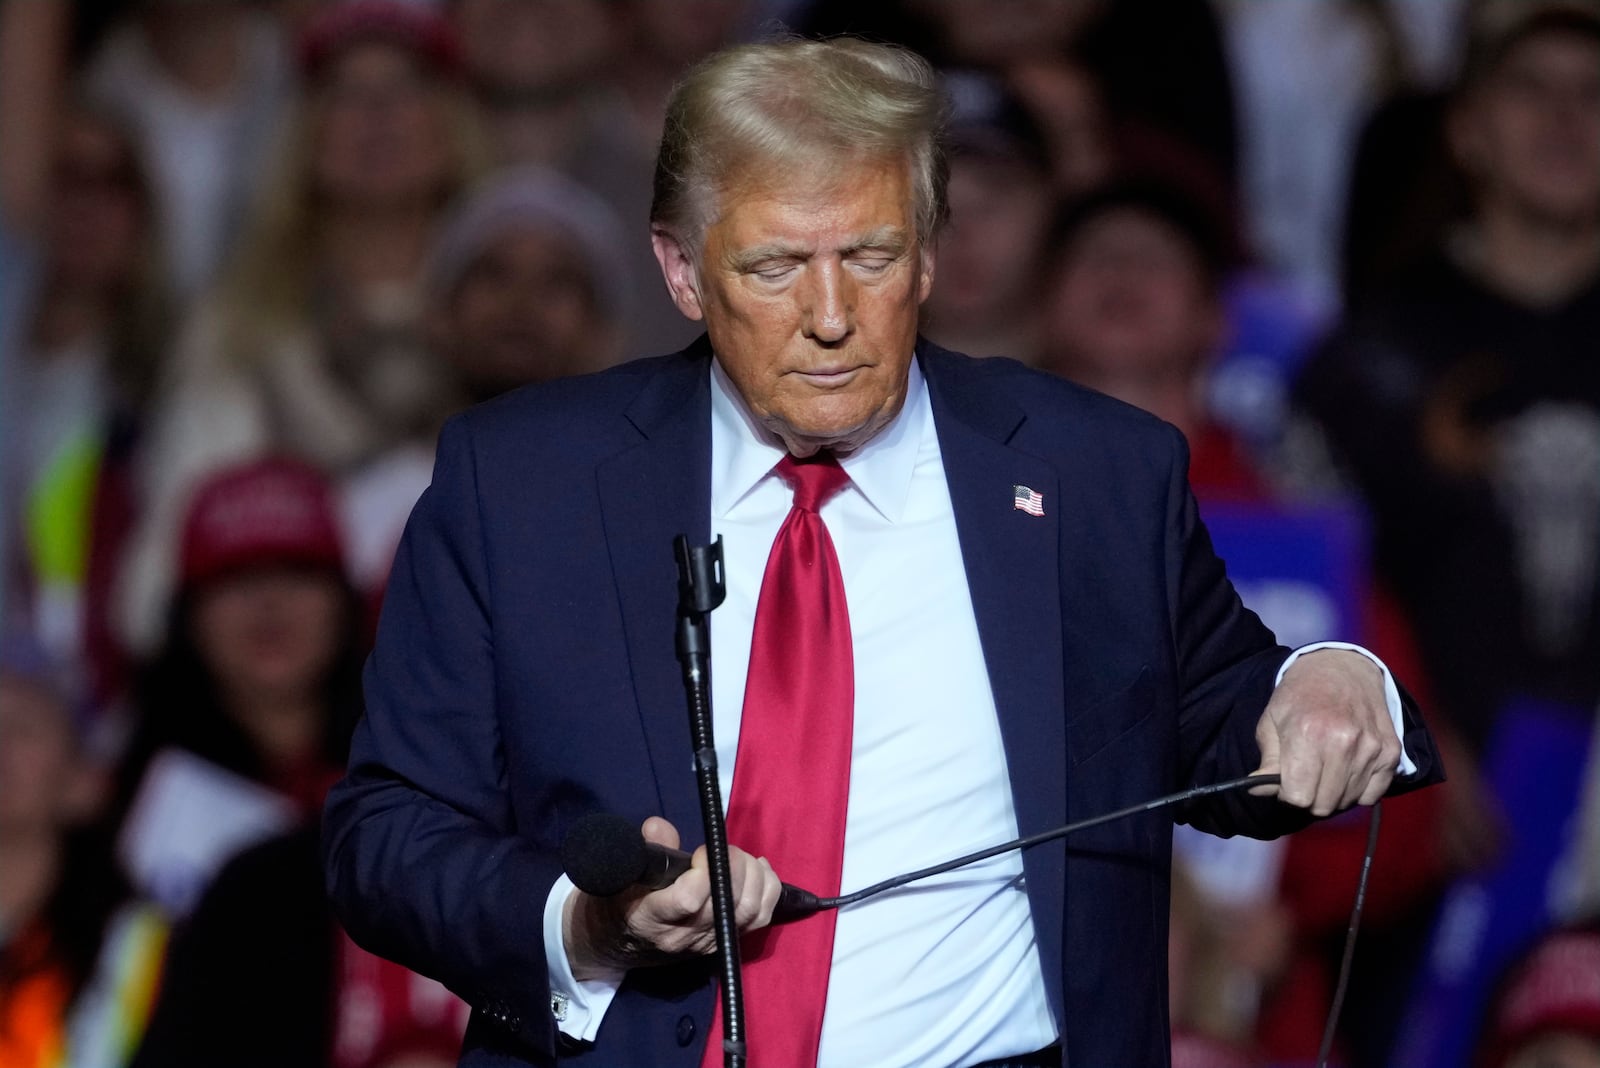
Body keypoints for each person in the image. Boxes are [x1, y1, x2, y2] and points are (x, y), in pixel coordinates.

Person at [323, 37, 1441, 1068]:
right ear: (679, 272)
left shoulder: (1092, 474)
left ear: (927, 258)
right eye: (772, 268)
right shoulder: (524, 484)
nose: (829, 316)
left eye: (869, 254)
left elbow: (1224, 714)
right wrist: (585, 924)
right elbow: (387, 835)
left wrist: (1329, 679)